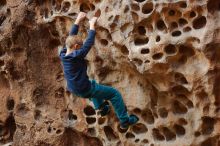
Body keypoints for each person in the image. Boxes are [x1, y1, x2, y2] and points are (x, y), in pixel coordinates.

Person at [59, 12, 139, 130]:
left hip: (74, 88)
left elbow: (71, 37)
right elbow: (89, 43)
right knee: (114, 94)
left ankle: (102, 108)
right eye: (79, 47)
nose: (81, 49)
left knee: (92, 84)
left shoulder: (63, 54)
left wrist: (77, 20)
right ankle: (125, 121)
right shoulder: (77, 55)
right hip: (84, 89)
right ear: (76, 47)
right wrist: (92, 25)